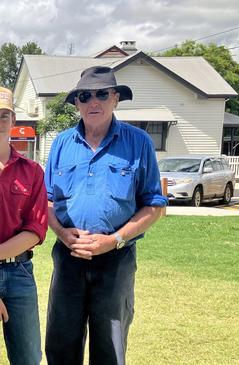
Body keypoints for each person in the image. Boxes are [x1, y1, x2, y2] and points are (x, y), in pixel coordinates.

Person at [44, 66, 167, 365]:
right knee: (60, 345)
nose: (93, 102)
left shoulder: (138, 143)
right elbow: (46, 201)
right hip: (68, 258)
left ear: (115, 98)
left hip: (116, 261)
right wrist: (62, 233)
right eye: (85, 96)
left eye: (101, 94)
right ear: (76, 103)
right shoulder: (61, 143)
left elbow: (154, 206)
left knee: (109, 349)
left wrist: (113, 241)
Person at [0, 86, 48, 365]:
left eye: (5, 116)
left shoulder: (33, 171)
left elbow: (35, 231)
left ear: (14, 121)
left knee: (27, 357)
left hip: (20, 272)